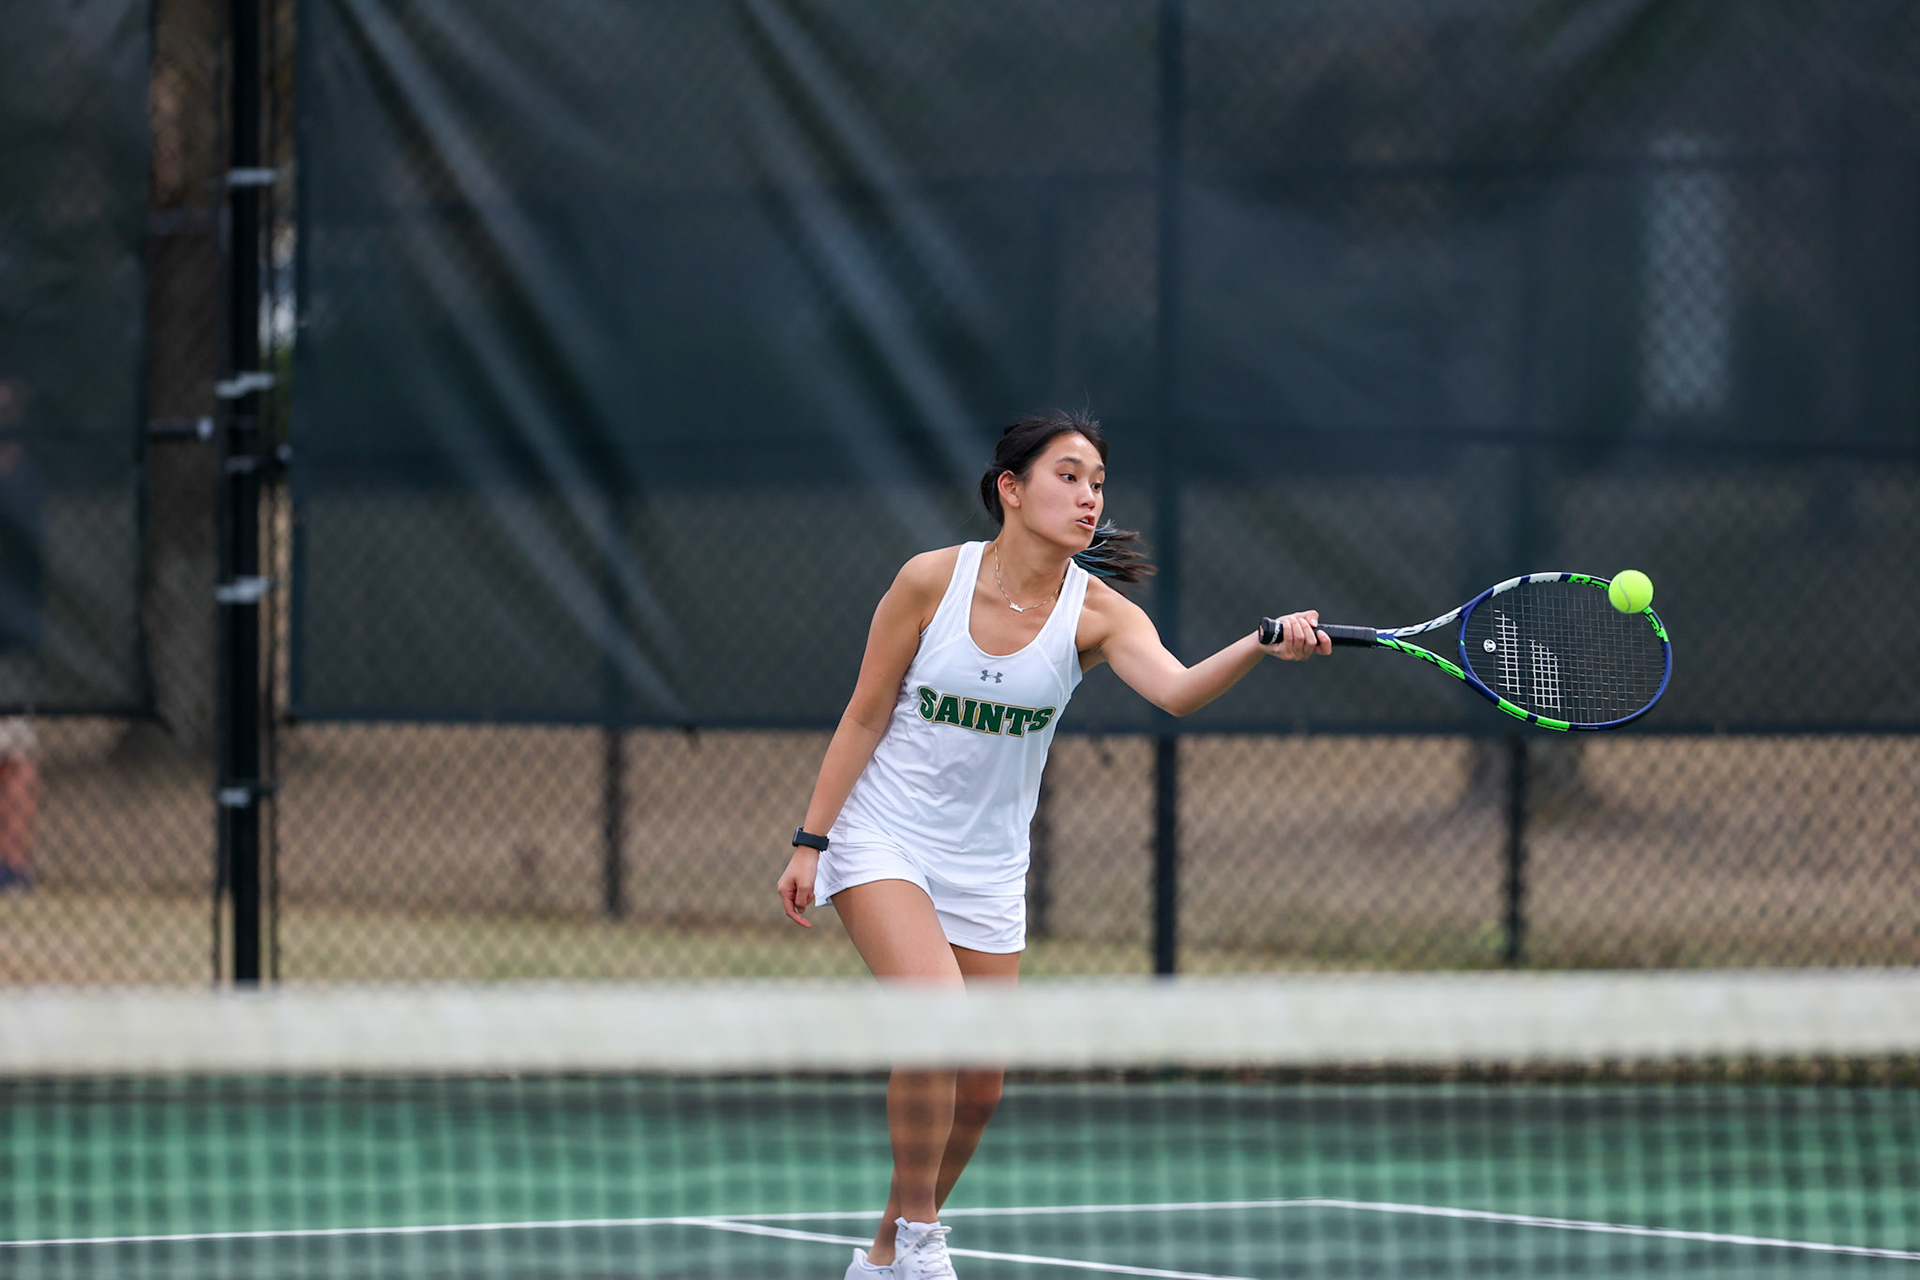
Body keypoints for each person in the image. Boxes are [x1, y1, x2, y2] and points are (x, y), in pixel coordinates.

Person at [776, 408, 1329, 1280]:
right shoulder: (929, 582)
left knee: (982, 1088)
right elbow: (865, 713)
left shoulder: (1098, 614)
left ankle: (882, 1255)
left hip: (988, 866)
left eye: (1098, 483)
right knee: (936, 1022)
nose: (1087, 497)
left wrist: (1261, 644)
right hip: (884, 836)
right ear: (1011, 488)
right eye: (1067, 476)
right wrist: (812, 840)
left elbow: (1180, 691)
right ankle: (922, 1237)